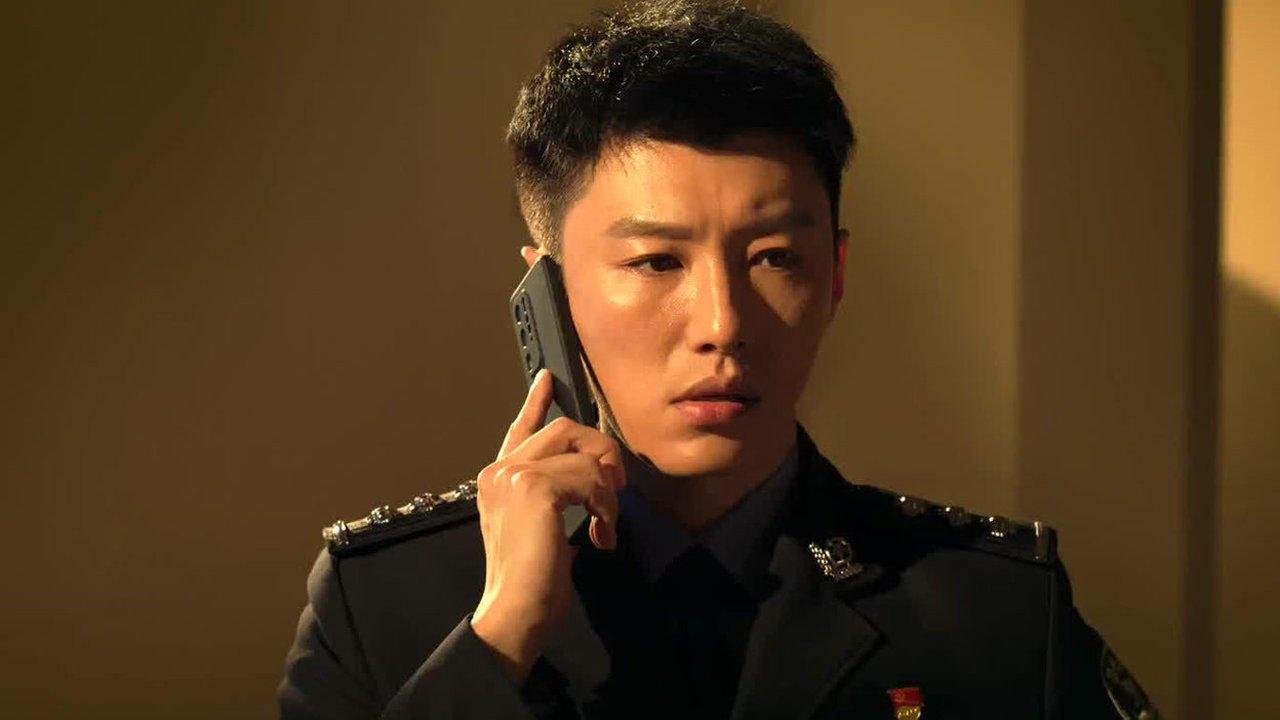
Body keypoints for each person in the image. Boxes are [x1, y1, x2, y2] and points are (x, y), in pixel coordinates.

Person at [278, 1, 1158, 718]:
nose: (723, 323)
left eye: (773, 258)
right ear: (547, 292)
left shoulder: (992, 608)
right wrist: (500, 638)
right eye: (657, 262)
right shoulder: (385, 600)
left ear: (835, 274)